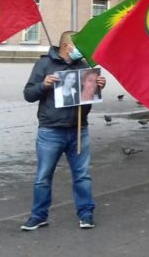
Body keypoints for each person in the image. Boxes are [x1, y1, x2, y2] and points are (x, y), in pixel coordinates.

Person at [21, 31, 105, 231]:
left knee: (82, 175)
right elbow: (28, 94)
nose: (81, 50)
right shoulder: (44, 65)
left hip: (78, 129)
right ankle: (38, 216)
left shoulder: (84, 66)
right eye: (78, 46)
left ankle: (86, 214)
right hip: (51, 131)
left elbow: (88, 98)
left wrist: (99, 86)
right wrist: (44, 85)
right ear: (67, 47)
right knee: (43, 176)